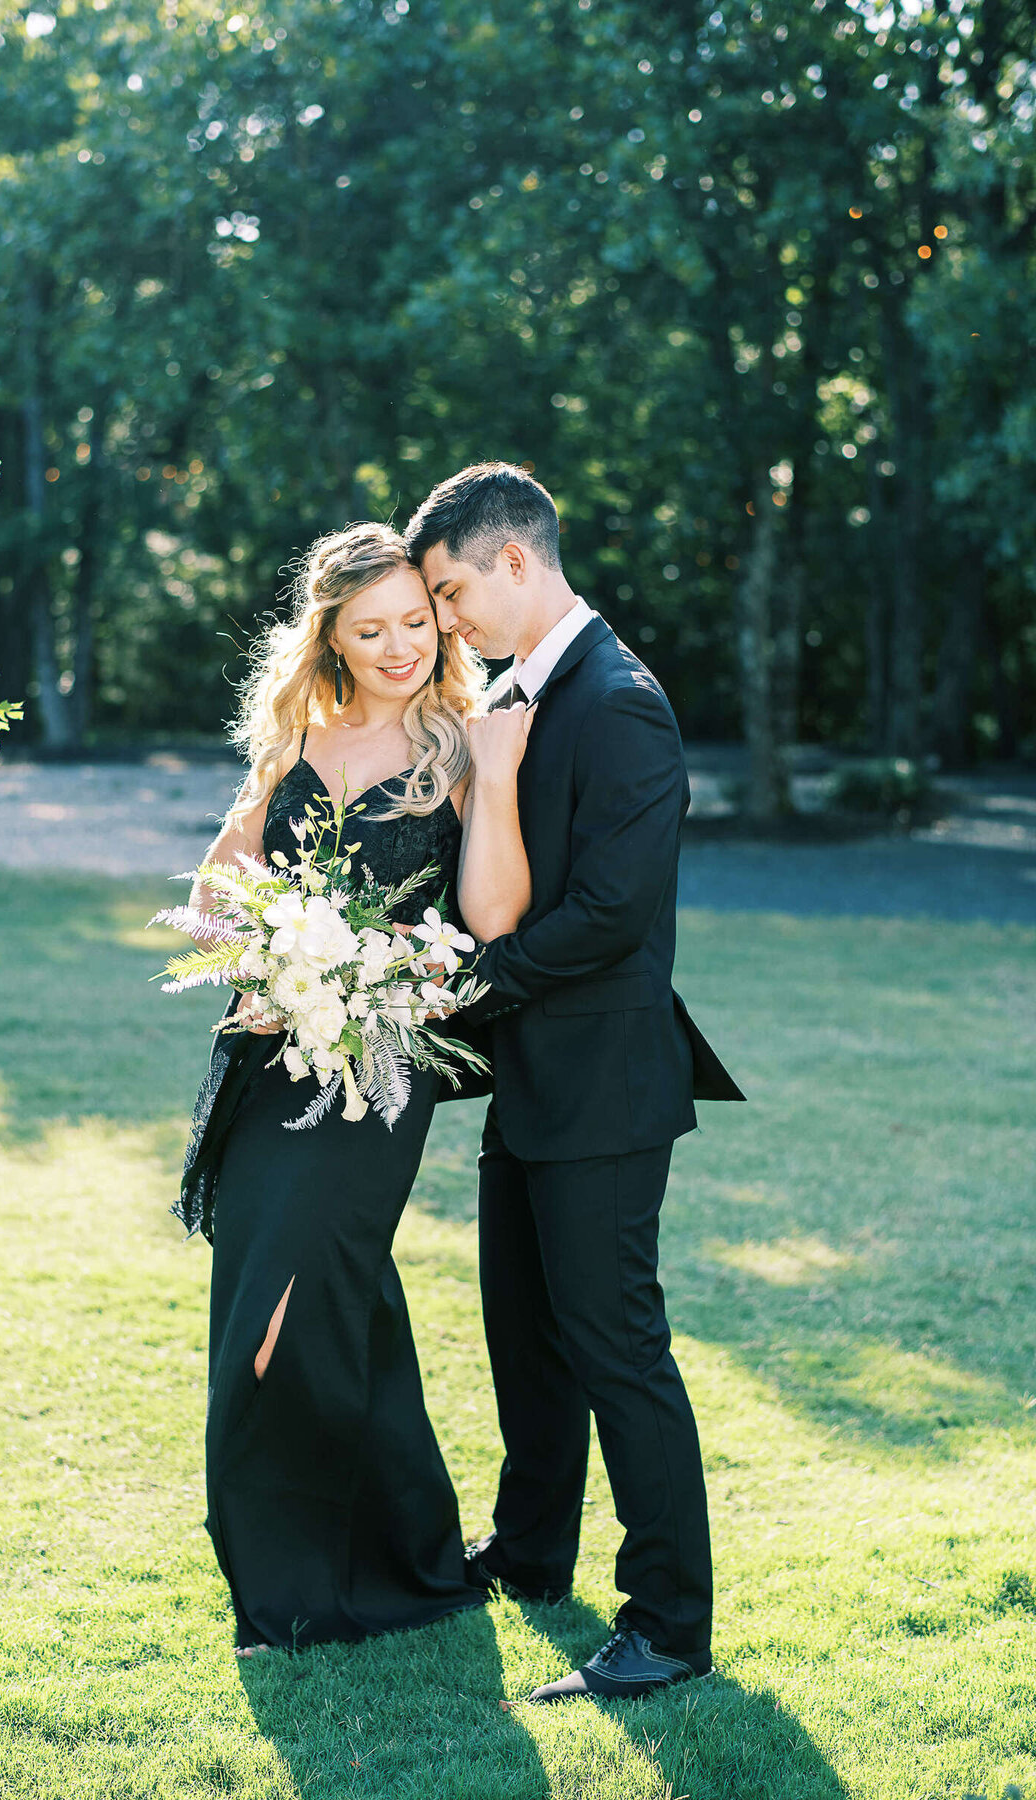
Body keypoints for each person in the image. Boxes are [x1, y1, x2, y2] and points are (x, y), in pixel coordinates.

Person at [405, 462, 745, 1703]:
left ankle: (668, 1622)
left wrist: (473, 986)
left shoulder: (620, 702)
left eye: (448, 593)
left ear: (511, 560)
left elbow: (609, 915)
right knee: (525, 1338)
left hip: (603, 1088)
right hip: (532, 1083)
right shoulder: (515, 696)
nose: (445, 621)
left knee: (617, 1351)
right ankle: (535, 1552)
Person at [175, 520, 533, 1654]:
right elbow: (216, 886)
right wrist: (267, 951)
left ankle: (326, 1570)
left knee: (298, 1306)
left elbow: (491, 919)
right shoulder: (295, 739)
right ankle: (387, 1555)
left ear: (440, 623)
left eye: (413, 625)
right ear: (328, 637)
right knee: (308, 1308)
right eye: (367, 630)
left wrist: (500, 777)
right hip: (273, 1062)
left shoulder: (461, 746)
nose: (396, 648)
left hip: (382, 1070)